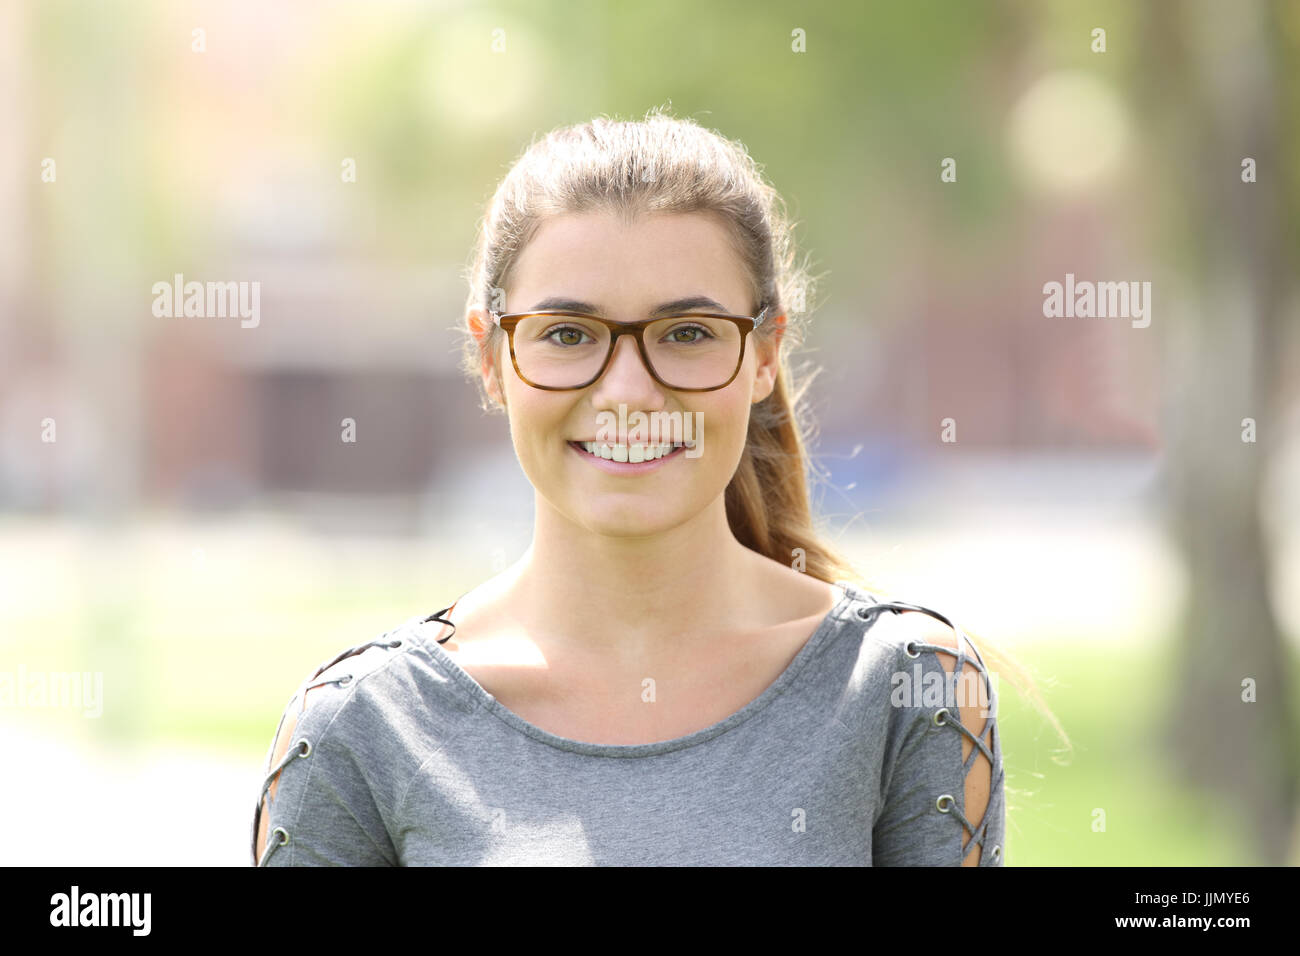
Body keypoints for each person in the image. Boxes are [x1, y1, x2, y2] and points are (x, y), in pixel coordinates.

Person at [252, 108, 1049, 866]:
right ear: (491, 357)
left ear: (765, 354)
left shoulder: (905, 686)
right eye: (568, 333)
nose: (628, 393)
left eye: (688, 333)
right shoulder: (361, 725)